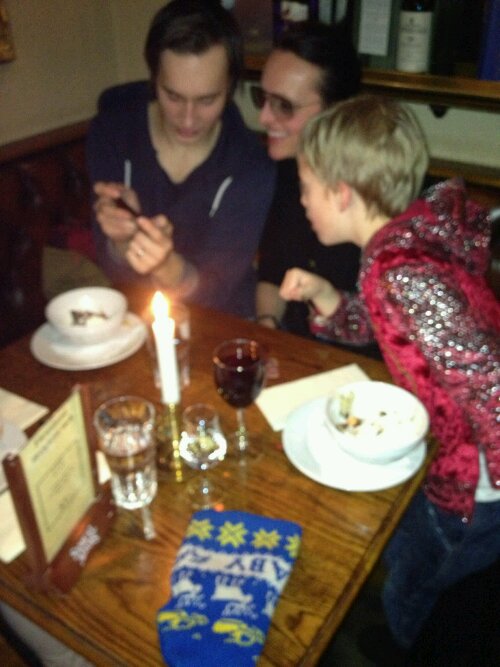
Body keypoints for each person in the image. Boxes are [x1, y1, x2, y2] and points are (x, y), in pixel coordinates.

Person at [280, 94, 500, 656]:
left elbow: (487, 379)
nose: (300, 200)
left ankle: (408, 640)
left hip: (472, 485)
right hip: (444, 457)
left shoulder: (402, 270)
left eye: (306, 187)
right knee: (407, 549)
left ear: (341, 193)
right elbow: (393, 330)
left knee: (417, 581)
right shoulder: (396, 247)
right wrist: (327, 296)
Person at [87, 0, 275, 318]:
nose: (188, 120)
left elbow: (218, 293)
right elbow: (112, 267)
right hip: (134, 317)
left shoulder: (252, 166)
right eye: (173, 96)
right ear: (154, 78)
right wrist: (122, 243)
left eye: (207, 100)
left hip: (223, 324)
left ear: (230, 86)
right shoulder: (112, 132)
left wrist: (166, 266)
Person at [252, 20, 363, 338]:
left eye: (284, 106)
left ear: (335, 111)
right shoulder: (288, 170)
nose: (264, 117)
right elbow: (273, 272)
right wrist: (267, 326)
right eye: (262, 98)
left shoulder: (375, 194)